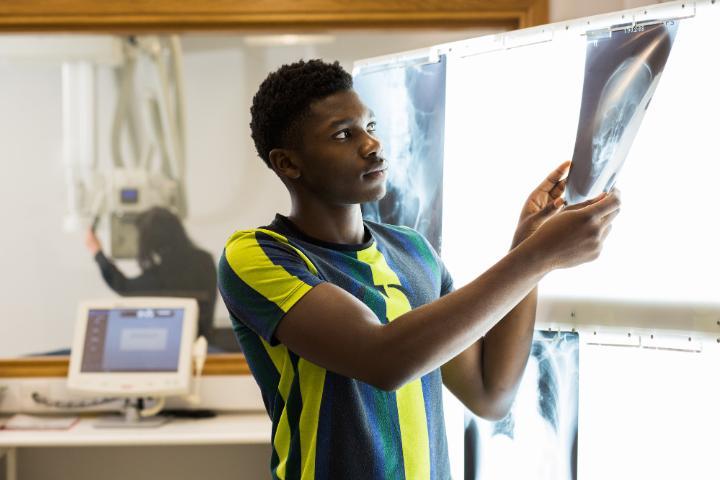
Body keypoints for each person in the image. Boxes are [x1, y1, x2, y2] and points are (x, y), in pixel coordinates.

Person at [217, 59, 621, 479]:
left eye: (371, 126)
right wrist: (537, 255)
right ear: (288, 164)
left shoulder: (412, 250)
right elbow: (382, 360)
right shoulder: (258, 255)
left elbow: (490, 394)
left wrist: (529, 245)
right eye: (343, 134)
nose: (372, 145)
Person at [85, 206, 217, 340]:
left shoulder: (162, 275)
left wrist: (97, 253)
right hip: (204, 343)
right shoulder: (205, 261)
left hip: (175, 345)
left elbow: (124, 287)